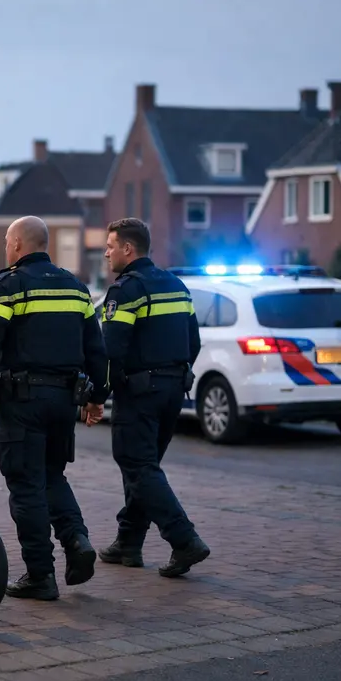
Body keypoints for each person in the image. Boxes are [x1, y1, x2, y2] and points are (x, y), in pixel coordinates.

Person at [0, 216, 109, 601]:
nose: (6, 248)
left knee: (25, 486)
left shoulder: (9, 285)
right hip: (64, 401)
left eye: (7, 242)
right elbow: (96, 350)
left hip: (22, 401)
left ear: (18, 245)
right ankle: (76, 540)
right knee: (53, 476)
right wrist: (97, 397)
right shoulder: (77, 288)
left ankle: (40, 575)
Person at [98, 218, 210, 577]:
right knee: (144, 468)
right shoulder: (176, 285)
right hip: (174, 392)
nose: (106, 253)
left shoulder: (126, 290)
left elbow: (111, 352)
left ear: (128, 249)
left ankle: (184, 539)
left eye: (110, 246)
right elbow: (194, 342)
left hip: (139, 394)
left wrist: (96, 395)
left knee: (138, 466)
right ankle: (128, 543)